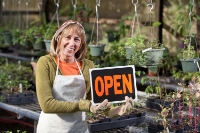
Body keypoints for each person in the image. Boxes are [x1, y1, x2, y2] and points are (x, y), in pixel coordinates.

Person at [36, 20, 134, 133]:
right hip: (51, 129)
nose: (72, 43)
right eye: (67, 37)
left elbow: (96, 104)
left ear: (81, 44)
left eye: (77, 39)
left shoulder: (88, 65)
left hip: (79, 129)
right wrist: (84, 105)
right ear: (58, 38)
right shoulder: (46, 62)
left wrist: (120, 110)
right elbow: (46, 105)